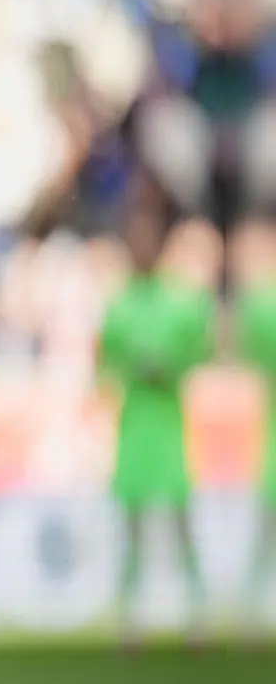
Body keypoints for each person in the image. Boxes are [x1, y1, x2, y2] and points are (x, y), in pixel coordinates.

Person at [97, 206, 214, 645]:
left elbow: (198, 352)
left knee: (183, 530)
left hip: (166, 428)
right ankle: (129, 622)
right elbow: (106, 362)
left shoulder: (179, 305)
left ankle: (197, 618)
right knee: (131, 536)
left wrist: (167, 368)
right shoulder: (120, 305)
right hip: (135, 429)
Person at [233, 225, 276, 633]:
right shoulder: (262, 307)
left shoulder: (260, 307)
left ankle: (249, 618)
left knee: (265, 539)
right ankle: (249, 617)